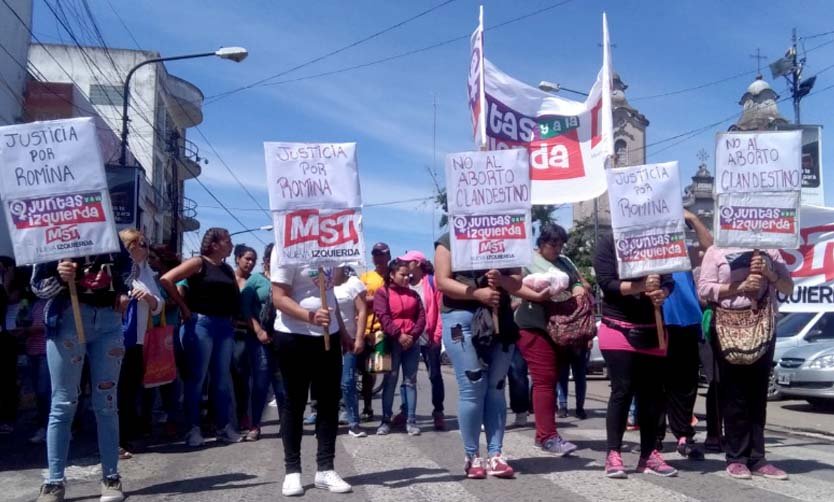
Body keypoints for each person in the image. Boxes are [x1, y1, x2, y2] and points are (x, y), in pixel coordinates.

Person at [434, 233, 543, 479]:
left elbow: (517, 281)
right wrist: (476, 293)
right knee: (473, 385)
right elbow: (442, 281)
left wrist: (502, 279)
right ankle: (472, 455)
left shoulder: (506, 239)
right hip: (461, 319)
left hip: (499, 319)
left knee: (496, 387)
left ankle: (495, 454)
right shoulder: (448, 239)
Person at [31, 249, 132, 502]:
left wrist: (122, 290)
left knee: (107, 403)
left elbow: (128, 271)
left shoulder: (110, 235)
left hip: (108, 323)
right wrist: (59, 276)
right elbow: (37, 286)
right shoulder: (50, 239)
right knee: (63, 403)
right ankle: (54, 481)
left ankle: (111, 476)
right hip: (66, 320)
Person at [698, 244, 793, 480]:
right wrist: (738, 288)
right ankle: (736, 457)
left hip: (763, 324)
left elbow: (788, 287)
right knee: (734, 394)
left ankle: (757, 458)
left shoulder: (771, 250)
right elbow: (704, 289)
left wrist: (769, 274)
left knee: (757, 395)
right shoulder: (716, 250)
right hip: (728, 325)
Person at [593, 232, 678, 479]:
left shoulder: (660, 240)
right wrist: (641, 286)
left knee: (652, 396)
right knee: (623, 389)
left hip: (654, 329)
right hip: (618, 326)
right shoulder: (608, 242)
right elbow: (606, 283)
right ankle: (613, 454)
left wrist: (663, 291)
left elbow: (669, 279)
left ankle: (649, 454)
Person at [271, 254, 352, 496]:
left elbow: (331, 291)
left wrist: (344, 331)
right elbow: (279, 297)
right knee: (294, 403)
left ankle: (325, 469)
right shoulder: (285, 246)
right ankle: (292, 471)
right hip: (293, 335)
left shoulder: (330, 248)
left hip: (329, 335)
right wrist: (311, 316)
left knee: (328, 403)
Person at [160, 227, 241, 447]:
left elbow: (234, 296)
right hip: (201, 324)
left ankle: (224, 427)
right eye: (227, 240)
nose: (231, 244)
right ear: (214, 244)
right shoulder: (198, 263)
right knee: (196, 379)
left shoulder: (226, 268)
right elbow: (167, 279)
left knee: (221, 379)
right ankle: (192, 429)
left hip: (224, 326)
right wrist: (184, 308)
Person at [514, 223, 582, 455]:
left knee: (551, 380)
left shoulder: (565, 262)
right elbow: (514, 288)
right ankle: (547, 436)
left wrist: (580, 288)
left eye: (561, 244)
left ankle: (543, 433)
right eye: (553, 244)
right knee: (544, 379)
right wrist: (537, 292)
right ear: (542, 243)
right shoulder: (527, 261)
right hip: (534, 326)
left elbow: (579, 281)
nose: (557, 249)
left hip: (561, 329)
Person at [656, 210, 713, 459]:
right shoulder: (648, 252)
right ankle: (654, 436)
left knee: (685, 386)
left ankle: (683, 435)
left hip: (688, 323)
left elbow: (709, 247)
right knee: (656, 385)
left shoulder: (685, 252)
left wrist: (693, 218)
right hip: (657, 323)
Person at [117, 229, 163, 459]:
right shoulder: (118, 271)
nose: (146, 249)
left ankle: (126, 436)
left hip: (137, 340)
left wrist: (149, 298)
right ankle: (116, 440)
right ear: (129, 246)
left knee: (130, 389)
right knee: (116, 391)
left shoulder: (146, 273)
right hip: (115, 338)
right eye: (142, 244)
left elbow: (159, 305)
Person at [374, 259, 426, 436]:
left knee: (410, 382)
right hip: (391, 341)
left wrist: (412, 336)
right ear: (392, 275)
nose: (406, 278)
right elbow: (383, 316)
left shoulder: (414, 295)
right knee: (390, 381)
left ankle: (411, 421)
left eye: (408, 275)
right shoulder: (383, 293)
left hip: (412, 343)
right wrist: (399, 335)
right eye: (402, 275)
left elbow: (421, 318)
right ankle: (385, 420)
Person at [240, 243, 285, 441]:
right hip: (259, 340)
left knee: (282, 385)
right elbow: (245, 308)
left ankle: (287, 425)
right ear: (268, 260)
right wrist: (258, 330)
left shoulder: (284, 280)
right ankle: (255, 426)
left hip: (282, 339)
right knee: (260, 383)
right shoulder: (256, 280)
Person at [398, 250, 445, 430]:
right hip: (410, 336)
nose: (404, 264)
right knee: (408, 376)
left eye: (407, 262)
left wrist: (437, 335)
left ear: (417, 263)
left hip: (430, 336)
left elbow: (440, 309)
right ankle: (405, 410)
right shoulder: (404, 283)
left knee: (434, 375)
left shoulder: (432, 282)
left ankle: (438, 412)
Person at [333, 266, 368, 438]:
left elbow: (362, 310)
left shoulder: (353, 283)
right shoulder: (322, 283)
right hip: (328, 340)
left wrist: (359, 337)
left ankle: (354, 423)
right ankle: (326, 423)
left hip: (349, 340)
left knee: (348, 381)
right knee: (328, 383)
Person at [358, 242, 391, 421]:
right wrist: (378, 298)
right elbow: (360, 299)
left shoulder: (393, 276)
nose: (378, 258)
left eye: (382, 255)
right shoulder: (365, 276)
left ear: (388, 256)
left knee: (381, 370)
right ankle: (367, 407)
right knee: (365, 372)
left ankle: (386, 411)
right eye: (375, 255)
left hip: (383, 331)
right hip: (365, 330)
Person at [232, 244, 258, 435]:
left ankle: (243, 415)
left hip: (245, 334)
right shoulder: (227, 278)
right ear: (238, 258)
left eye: (253, 260)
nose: (250, 263)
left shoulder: (254, 282)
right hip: (224, 333)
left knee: (242, 377)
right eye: (247, 258)